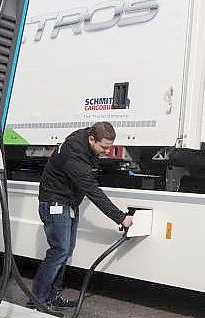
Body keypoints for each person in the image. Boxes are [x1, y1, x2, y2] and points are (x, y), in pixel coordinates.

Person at [29, 122, 133, 309]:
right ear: (92, 139)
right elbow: (93, 191)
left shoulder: (86, 138)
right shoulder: (74, 156)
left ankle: (53, 296)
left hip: (67, 203)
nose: (105, 152)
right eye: (103, 147)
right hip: (55, 203)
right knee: (59, 251)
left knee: (65, 251)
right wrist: (121, 217)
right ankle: (37, 301)